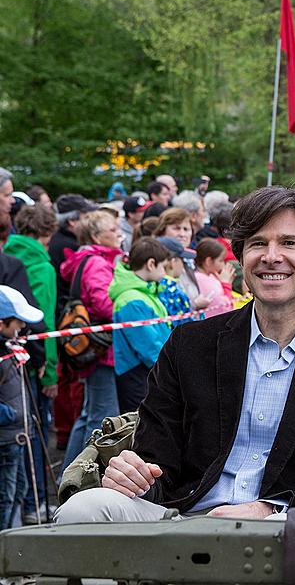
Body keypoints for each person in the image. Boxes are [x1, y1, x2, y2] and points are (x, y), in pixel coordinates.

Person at [55, 186, 295, 523]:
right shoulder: (189, 345)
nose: (271, 256)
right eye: (258, 243)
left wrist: (268, 508)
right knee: (83, 509)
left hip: (283, 528)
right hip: (183, 517)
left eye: (289, 243)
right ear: (241, 258)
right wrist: (135, 476)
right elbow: (158, 460)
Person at [59, 211, 125, 471]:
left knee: (89, 414)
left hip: (97, 348)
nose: (119, 232)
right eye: (113, 228)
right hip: (103, 349)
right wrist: (130, 303)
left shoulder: (91, 259)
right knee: (100, 416)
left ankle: (70, 474)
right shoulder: (97, 262)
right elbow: (105, 303)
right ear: (97, 235)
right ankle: (79, 478)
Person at [5, 205, 59, 522]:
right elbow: (45, 322)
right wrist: (49, 369)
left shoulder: (9, 255)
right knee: (33, 432)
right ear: (46, 234)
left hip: (11, 351)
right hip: (31, 358)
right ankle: (34, 504)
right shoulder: (41, 265)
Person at [107, 238, 172, 413]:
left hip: (147, 369)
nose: (165, 273)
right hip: (137, 372)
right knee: (139, 430)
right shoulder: (131, 299)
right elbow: (147, 344)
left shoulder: (144, 292)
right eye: (163, 267)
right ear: (151, 264)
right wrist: (169, 367)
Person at [0, 285, 44, 529]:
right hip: (6, 437)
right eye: (17, 324)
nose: (22, 329)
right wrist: (12, 414)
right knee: (4, 497)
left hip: (16, 436)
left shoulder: (11, 350)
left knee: (19, 489)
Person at [154, 237, 196, 328]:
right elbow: (184, 325)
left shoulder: (153, 286)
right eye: (182, 260)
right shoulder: (172, 291)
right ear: (173, 262)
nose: (183, 265)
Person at [193, 238, 234, 317]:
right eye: (221, 260)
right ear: (208, 261)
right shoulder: (202, 279)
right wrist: (226, 285)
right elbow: (225, 310)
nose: (223, 265)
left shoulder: (211, 276)